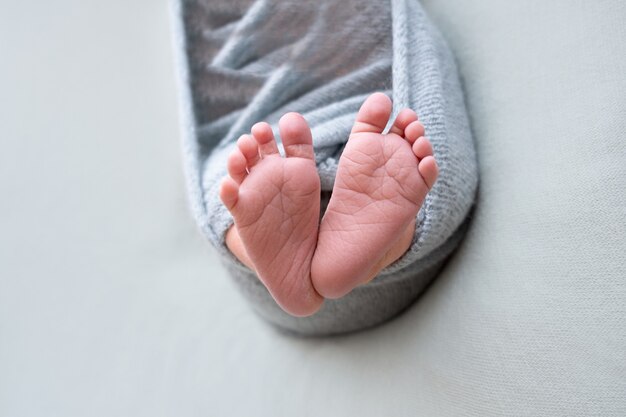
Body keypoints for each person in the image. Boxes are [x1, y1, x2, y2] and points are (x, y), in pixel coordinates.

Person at [219, 92, 438, 316]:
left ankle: (271, 263)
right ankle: (386, 252)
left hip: (274, 304)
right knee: (426, 143)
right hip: (401, 286)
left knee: (224, 181)